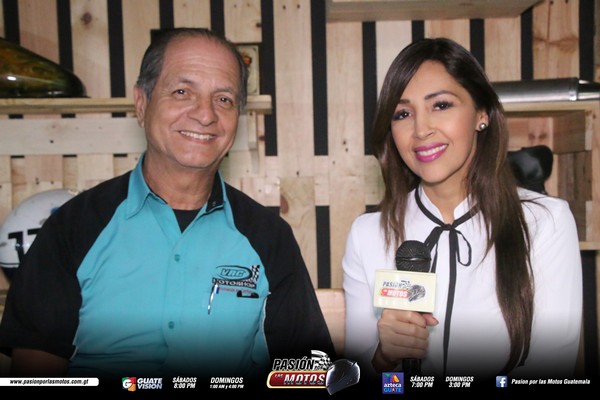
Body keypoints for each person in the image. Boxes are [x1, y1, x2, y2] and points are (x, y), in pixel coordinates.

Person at [0, 28, 335, 386]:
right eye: (182, 92)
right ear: (141, 103)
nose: (205, 114)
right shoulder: (71, 227)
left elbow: (307, 371)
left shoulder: (269, 237)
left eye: (224, 99)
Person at [342, 37, 582, 387]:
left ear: (482, 114)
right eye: (403, 114)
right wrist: (382, 359)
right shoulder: (367, 233)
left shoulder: (546, 222)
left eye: (440, 105)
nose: (421, 130)